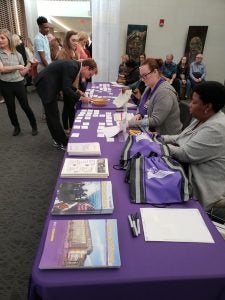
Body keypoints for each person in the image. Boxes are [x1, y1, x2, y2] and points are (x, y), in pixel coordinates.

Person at [162, 81, 225, 213]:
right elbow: (181, 138)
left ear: (207, 107)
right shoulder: (202, 117)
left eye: (194, 102)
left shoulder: (217, 128)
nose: (190, 105)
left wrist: (157, 146)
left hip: (197, 188)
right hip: (183, 171)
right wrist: (160, 138)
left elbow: (185, 154)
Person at [34, 59, 98, 149]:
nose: (88, 77)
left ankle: (57, 140)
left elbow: (65, 83)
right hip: (45, 85)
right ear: (87, 68)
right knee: (53, 116)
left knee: (52, 115)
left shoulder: (74, 66)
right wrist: (81, 98)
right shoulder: (73, 67)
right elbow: (66, 89)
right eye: (90, 74)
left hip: (47, 84)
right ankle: (63, 143)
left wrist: (77, 90)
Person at [128, 58, 182, 135]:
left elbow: (156, 120)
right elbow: (142, 106)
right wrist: (139, 114)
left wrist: (130, 123)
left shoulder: (164, 92)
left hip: (166, 136)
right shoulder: (149, 87)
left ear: (155, 72)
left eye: (145, 75)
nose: (142, 79)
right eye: (141, 76)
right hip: (151, 130)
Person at [0, 29, 38, 136]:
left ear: (8, 39)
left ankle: (34, 125)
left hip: (18, 84)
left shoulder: (18, 55)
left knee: (25, 106)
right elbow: (2, 69)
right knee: (10, 108)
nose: (0, 40)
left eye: (2, 38)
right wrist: (17, 66)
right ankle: (16, 127)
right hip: (5, 85)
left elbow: (22, 73)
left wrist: (30, 64)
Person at [58, 30, 80, 135]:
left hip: (73, 85)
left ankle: (72, 127)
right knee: (67, 107)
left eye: (77, 40)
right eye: (73, 40)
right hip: (65, 85)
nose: (75, 42)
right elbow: (60, 72)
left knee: (72, 107)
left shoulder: (75, 53)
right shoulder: (63, 52)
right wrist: (63, 89)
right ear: (67, 40)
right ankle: (66, 128)